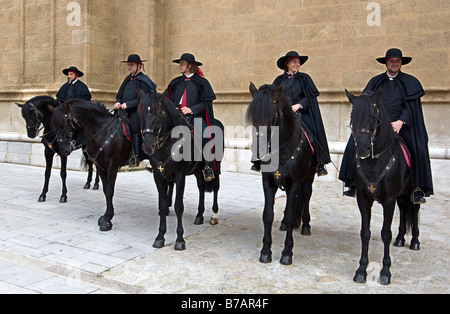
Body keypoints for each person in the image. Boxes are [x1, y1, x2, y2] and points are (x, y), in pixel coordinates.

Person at [339, 48, 433, 204]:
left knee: (419, 148)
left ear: (401, 62)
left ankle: (418, 188)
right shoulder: (375, 82)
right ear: (386, 63)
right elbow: (366, 102)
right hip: (378, 126)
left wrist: (400, 121)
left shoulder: (411, 82)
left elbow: (412, 108)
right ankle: (352, 183)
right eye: (391, 61)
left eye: (397, 61)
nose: (395, 64)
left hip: (401, 125)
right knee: (352, 145)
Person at [267, 51, 331, 176]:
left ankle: (319, 162)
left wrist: (298, 105)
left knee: (313, 129)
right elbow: (273, 97)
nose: (297, 64)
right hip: (283, 114)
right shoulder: (279, 80)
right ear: (287, 64)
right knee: (266, 128)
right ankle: (260, 159)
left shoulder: (304, 78)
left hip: (301, 112)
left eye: (298, 62)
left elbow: (310, 97)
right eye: (294, 61)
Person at [166, 53, 216, 182]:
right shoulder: (176, 82)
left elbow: (205, 104)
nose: (180, 66)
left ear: (190, 65)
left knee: (206, 137)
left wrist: (191, 109)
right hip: (177, 117)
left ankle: (207, 166)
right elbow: (168, 100)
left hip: (195, 117)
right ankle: (158, 162)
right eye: (180, 63)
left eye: (182, 63)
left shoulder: (202, 82)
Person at [115, 54, 157, 166]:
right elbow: (119, 94)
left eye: (132, 65)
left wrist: (128, 104)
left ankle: (137, 155)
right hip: (123, 110)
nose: (129, 67)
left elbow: (145, 98)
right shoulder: (127, 79)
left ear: (139, 65)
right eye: (128, 65)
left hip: (138, 111)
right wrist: (118, 102)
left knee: (134, 127)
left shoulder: (144, 80)